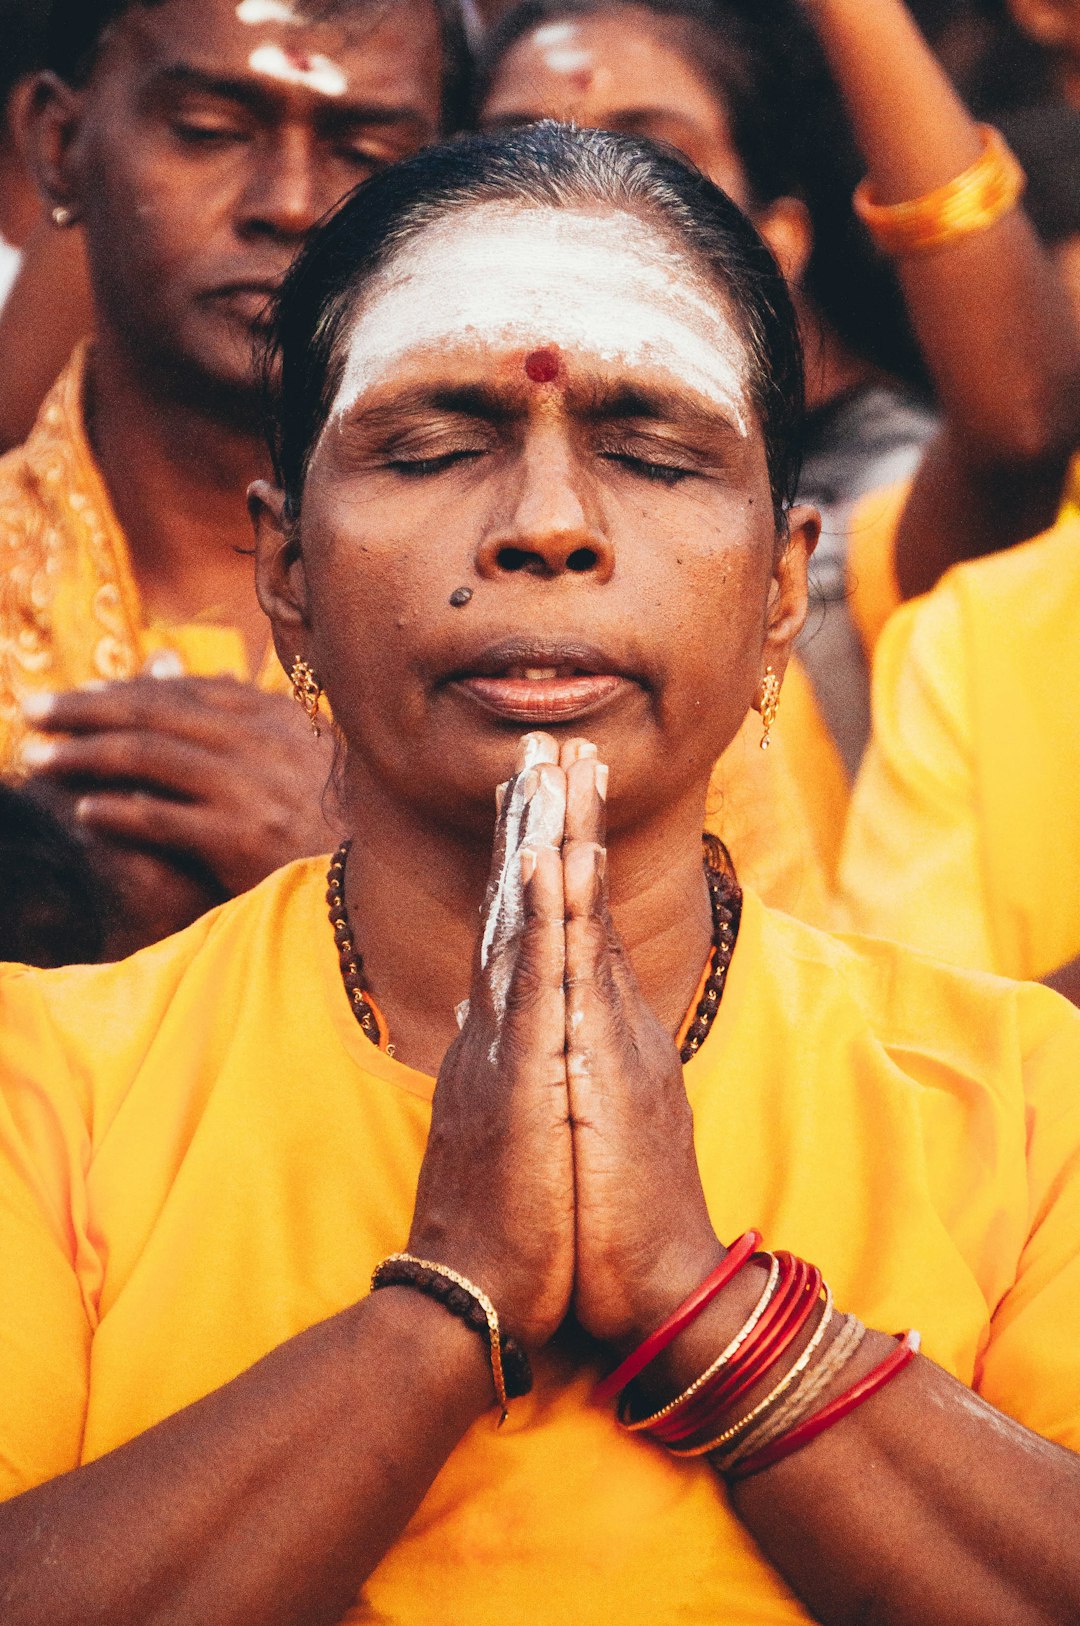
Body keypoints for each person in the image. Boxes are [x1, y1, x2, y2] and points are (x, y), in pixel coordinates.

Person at [4, 123, 1080, 1625]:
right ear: (288, 574)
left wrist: (699, 1306)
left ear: (782, 589)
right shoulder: (43, 1083)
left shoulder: (1029, 1097)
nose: (549, 526)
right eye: (432, 448)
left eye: (652, 455)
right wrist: (453, 1300)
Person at [0, 0, 467, 953]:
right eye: (210, 132)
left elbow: (767, 1058)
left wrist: (380, 886)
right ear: (59, 142)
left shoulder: (580, 632)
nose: (290, 202)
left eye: (363, 150)